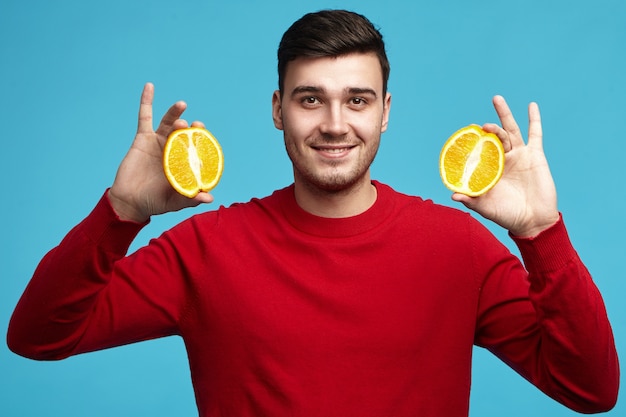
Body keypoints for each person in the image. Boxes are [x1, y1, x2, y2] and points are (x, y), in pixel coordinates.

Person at [7, 9, 619, 417]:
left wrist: (543, 235)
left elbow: (589, 389)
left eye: (357, 100)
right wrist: (119, 213)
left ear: (384, 112)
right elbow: (37, 338)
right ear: (278, 109)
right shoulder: (204, 248)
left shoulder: (458, 247)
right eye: (310, 99)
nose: (334, 123)